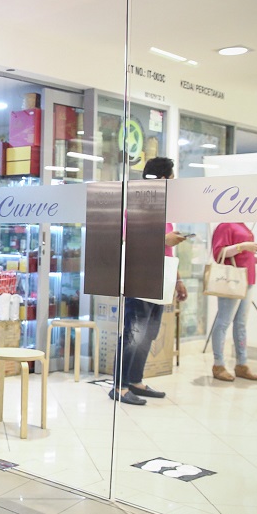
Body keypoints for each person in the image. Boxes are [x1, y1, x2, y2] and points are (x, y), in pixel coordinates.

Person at [110, 157, 188, 406]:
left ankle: (135, 381)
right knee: (134, 332)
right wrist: (164, 240)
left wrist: (178, 280)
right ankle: (120, 386)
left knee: (149, 333)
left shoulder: (163, 209)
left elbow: (167, 250)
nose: (174, 183)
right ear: (163, 178)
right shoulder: (136, 206)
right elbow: (127, 240)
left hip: (161, 276)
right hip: (140, 276)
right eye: (172, 178)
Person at [209, 222, 257, 381]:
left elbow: (243, 256)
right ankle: (218, 364)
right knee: (223, 322)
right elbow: (219, 254)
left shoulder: (241, 224)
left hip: (247, 279)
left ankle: (242, 364)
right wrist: (242, 246)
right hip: (232, 280)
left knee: (241, 324)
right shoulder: (226, 225)